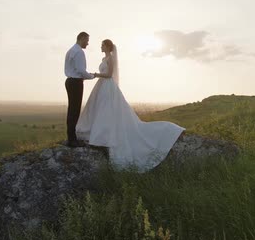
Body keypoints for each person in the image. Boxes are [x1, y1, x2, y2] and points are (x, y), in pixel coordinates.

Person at [76, 39, 185, 172]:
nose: (101, 46)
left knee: (106, 111)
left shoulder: (110, 58)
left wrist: (96, 74)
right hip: (101, 86)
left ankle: (103, 138)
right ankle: (99, 136)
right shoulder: (105, 58)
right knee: (100, 111)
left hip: (107, 86)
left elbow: (109, 75)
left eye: (102, 45)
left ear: (107, 47)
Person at [64, 32, 95, 147]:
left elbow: (75, 69)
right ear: (81, 38)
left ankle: (71, 137)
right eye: (87, 40)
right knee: (75, 110)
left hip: (70, 81)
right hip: (76, 83)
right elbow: (81, 70)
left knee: (71, 109)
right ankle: (72, 140)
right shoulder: (79, 52)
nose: (87, 43)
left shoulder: (71, 50)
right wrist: (92, 76)